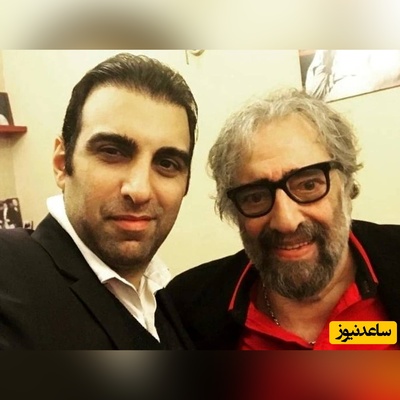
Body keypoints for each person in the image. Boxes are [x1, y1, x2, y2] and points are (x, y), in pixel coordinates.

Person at [167, 88, 400, 350]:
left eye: (308, 185)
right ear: (234, 211)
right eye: (256, 197)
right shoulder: (185, 310)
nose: (286, 221)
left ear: (346, 184)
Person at [0, 53, 197, 349]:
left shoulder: (171, 298)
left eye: (167, 163)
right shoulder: (11, 274)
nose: (140, 190)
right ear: (62, 163)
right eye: (112, 152)